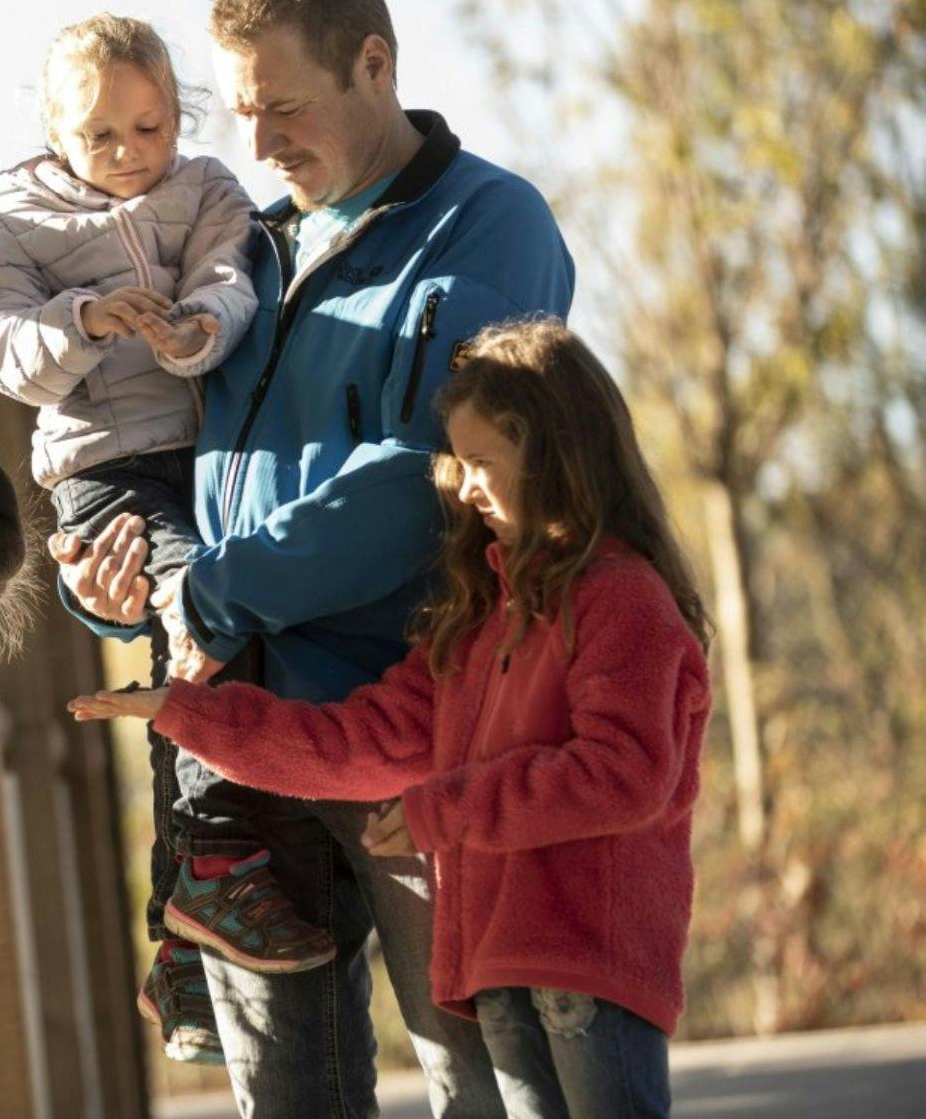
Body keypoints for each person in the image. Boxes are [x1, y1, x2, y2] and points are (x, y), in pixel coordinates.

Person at [50, 0, 575, 1115]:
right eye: (241, 112)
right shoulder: (245, 250)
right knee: (289, 1100)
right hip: (239, 736)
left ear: (374, 64)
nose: (261, 143)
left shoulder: (491, 228)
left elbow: (427, 478)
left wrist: (214, 591)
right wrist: (117, 573)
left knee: (488, 1081)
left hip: (420, 725)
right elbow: (167, 456)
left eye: (283, 105)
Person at [71, 317, 711, 1119]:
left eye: (482, 464)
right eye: (459, 463)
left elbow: (622, 774)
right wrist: (187, 714)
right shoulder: (477, 621)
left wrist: (442, 812)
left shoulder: (623, 601)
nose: (466, 489)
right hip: (496, 969)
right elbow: (352, 743)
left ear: (555, 454)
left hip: (589, 963)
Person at [0, 14, 334, 1064]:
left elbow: (234, 273)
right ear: (52, 131)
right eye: (101, 137)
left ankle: (179, 939)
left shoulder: (205, 188)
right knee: (196, 609)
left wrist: (196, 329)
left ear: (181, 114)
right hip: (101, 474)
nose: (130, 155)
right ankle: (220, 856)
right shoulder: (18, 211)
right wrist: (82, 319)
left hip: (203, 453)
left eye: (150, 126)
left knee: (193, 655)